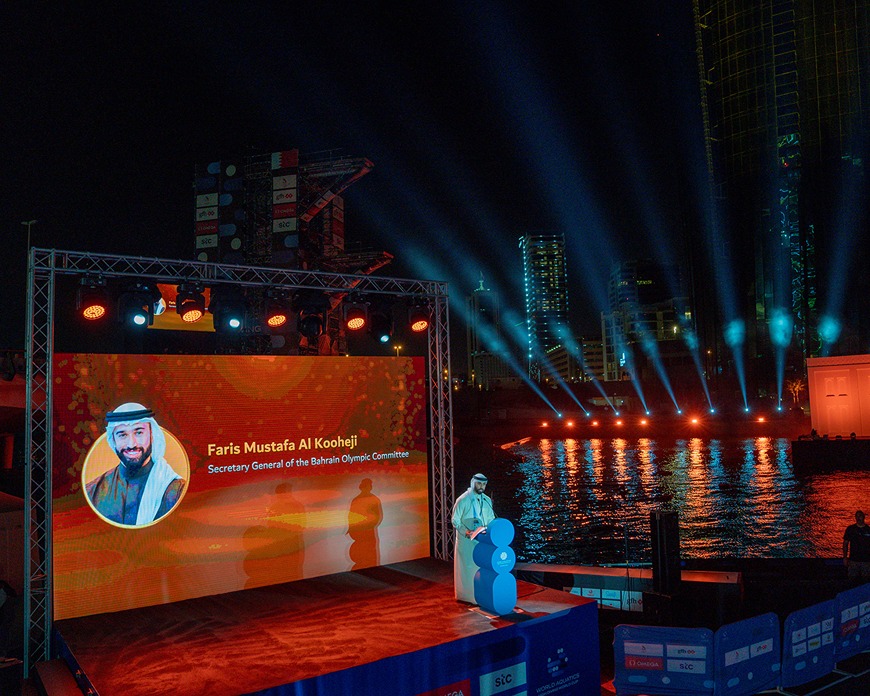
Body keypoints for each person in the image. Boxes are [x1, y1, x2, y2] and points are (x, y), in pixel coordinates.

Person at [85, 402, 186, 526]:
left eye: (139, 433)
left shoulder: (175, 490)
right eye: (122, 435)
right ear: (113, 440)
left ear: (152, 436)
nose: (131, 444)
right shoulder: (93, 492)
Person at [451, 473, 496, 604]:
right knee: (468, 571)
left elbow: (491, 519)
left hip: (482, 541)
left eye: (484, 484)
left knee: (481, 570)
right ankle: (467, 597)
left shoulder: (487, 500)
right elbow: (455, 520)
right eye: (479, 483)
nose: (481, 486)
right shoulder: (463, 499)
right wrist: (467, 532)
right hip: (467, 542)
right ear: (473, 482)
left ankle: (481, 596)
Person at [843, 510, 870, 583]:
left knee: (866, 582)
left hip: (866, 561)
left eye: (860, 516)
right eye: (857, 516)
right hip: (853, 560)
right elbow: (845, 544)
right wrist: (845, 557)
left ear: (864, 517)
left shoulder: (868, 530)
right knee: (852, 581)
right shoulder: (850, 529)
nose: (858, 518)